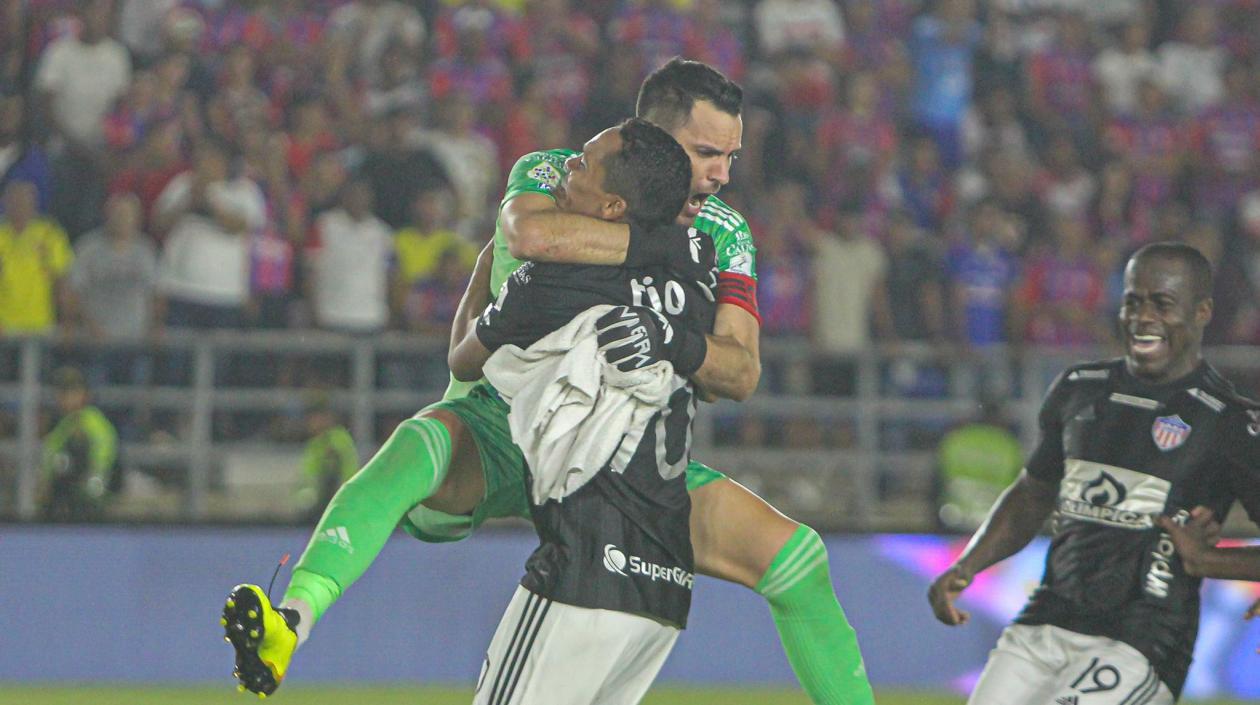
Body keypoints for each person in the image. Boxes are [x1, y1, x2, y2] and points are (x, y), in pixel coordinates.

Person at [223, 58, 872, 705]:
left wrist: (674, 335)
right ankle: (294, 620)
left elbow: (742, 368)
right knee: (414, 448)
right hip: (505, 429)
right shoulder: (557, 175)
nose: (723, 175)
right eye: (707, 153)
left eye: (732, 156)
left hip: (629, 462)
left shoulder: (724, 232)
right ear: (654, 140)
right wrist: (664, 245)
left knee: (798, 558)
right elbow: (530, 232)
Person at [928, 242, 1260, 705]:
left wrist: (1212, 562)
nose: (1143, 318)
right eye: (1132, 301)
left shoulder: (1227, 422)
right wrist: (967, 565)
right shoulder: (1079, 390)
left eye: (1162, 305)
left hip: (1140, 640)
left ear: (1202, 312)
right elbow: (1032, 493)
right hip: (1043, 622)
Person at [451, 117, 711, 705]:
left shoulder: (548, 281)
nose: (567, 167)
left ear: (614, 206)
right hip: (664, 589)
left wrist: (479, 280)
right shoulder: (691, 276)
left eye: (584, 165)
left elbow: (463, 361)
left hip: (586, 571)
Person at [39, 367, 119, 521]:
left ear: (85, 395)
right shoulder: (61, 426)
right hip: (64, 496)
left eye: (74, 392)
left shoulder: (96, 422)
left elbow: (104, 456)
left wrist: (96, 478)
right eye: (64, 393)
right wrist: (45, 482)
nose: (69, 399)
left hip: (93, 494)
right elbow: (50, 456)